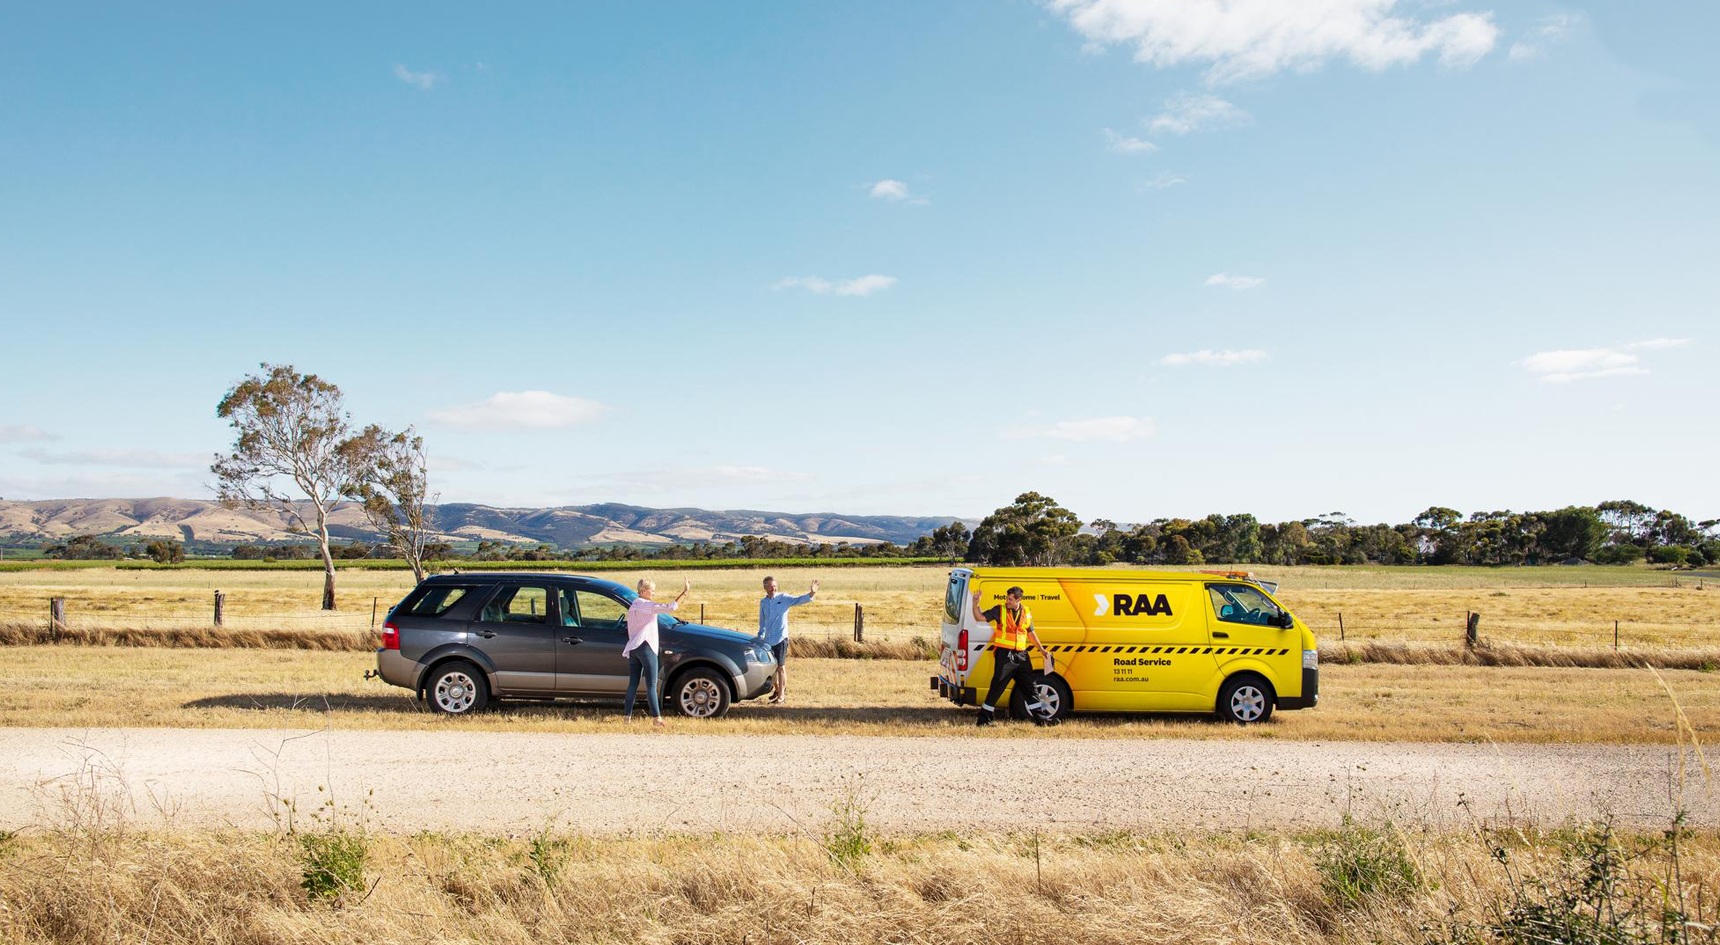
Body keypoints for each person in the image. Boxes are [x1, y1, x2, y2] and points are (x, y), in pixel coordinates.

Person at [971, 586, 1057, 727]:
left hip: (1022, 656)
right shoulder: (1000, 609)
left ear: (1018, 599)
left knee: (1030, 687)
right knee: (997, 686)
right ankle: (984, 720)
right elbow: (979, 617)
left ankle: (1041, 720)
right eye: (1007, 598)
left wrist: (1041, 649)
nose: (1007, 601)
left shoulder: (1027, 612)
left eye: (1010, 599)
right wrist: (976, 603)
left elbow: (1030, 633)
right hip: (1005, 655)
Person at [624, 577, 688, 727]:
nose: (654, 592)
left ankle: (627, 717)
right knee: (651, 685)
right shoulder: (648, 605)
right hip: (646, 647)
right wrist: (684, 592)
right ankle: (656, 718)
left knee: (632, 683)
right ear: (643, 591)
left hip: (633, 647)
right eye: (652, 590)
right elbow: (671, 607)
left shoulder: (633, 605)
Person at [755, 575, 818, 704]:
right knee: (770, 668)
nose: (773, 588)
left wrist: (812, 593)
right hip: (767, 640)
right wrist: (760, 637)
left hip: (780, 638)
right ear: (765, 587)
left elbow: (799, 600)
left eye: (774, 586)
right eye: (770, 586)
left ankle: (781, 696)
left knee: (780, 667)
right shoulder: (763, 602)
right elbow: (762, 622)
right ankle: (777, 689)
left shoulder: (783, 598)